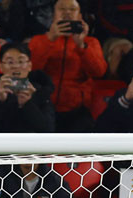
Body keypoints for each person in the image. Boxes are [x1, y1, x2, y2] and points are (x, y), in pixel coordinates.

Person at [28, 0, 107, 132]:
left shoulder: (91, 42)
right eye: (62, 9)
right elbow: (31, 70)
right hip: (44, 106)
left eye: (72, 9)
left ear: (80, 16)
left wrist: (81, 46)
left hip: (78, 110)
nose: (67, 13)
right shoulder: (38, 40)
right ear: (53, 14)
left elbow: (99, 72)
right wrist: (50, 39)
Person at [0, 41, 56, 133]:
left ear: (29, 66)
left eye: (21, 61)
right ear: (0, 67)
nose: (15, 66)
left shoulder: (42, 94)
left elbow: (48, 131)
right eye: (10, 62)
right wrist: (0, 101)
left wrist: (28, 104)